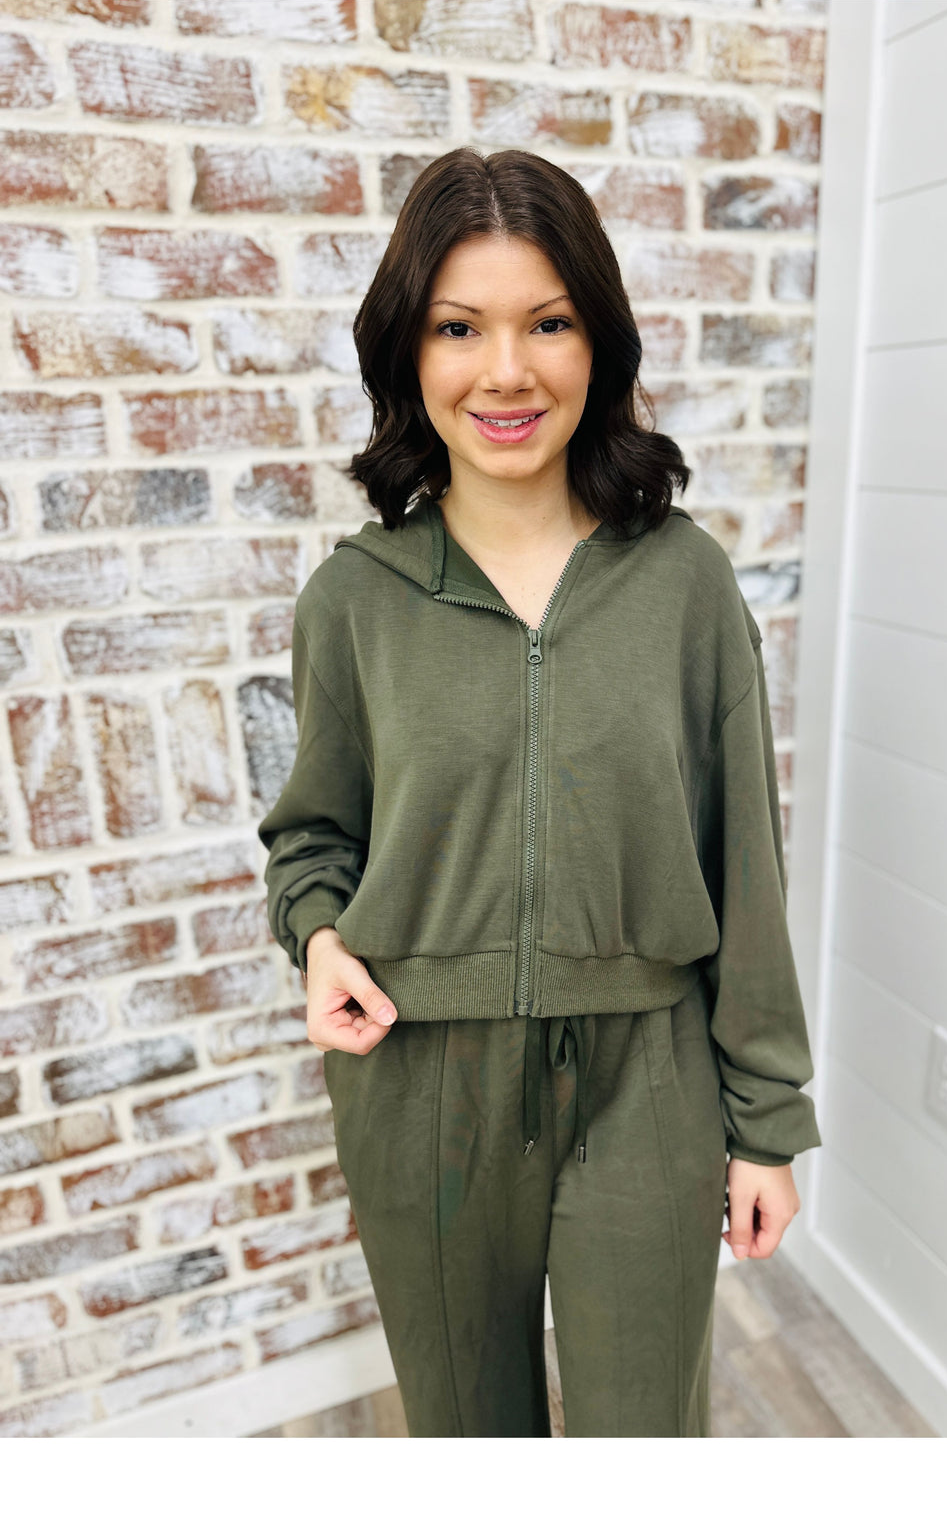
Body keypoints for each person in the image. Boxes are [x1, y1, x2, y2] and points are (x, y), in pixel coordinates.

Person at [257, 146, 822, 1439]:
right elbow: (314, 835)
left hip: (649, 1075)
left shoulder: (684, 585)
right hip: (420, 1080)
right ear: (409, 350)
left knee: (644, 1437)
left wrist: (767, 1126)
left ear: (598, 343)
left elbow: (747, 864)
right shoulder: (353, 601)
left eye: (548, 323)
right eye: (460, 327)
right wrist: (320, 937)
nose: (506, 371)